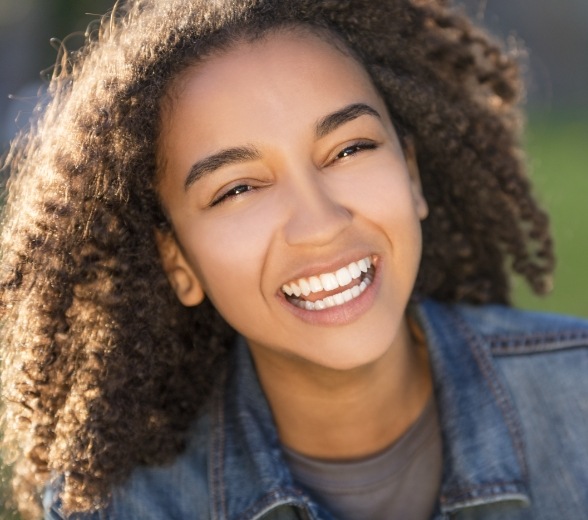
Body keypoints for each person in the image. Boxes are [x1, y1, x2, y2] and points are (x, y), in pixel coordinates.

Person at [1, 0, 587, 518]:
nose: (321, 224)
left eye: (349, 148)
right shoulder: (128, 508)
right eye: (237, 189)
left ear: (410, 175)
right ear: (176, 260)